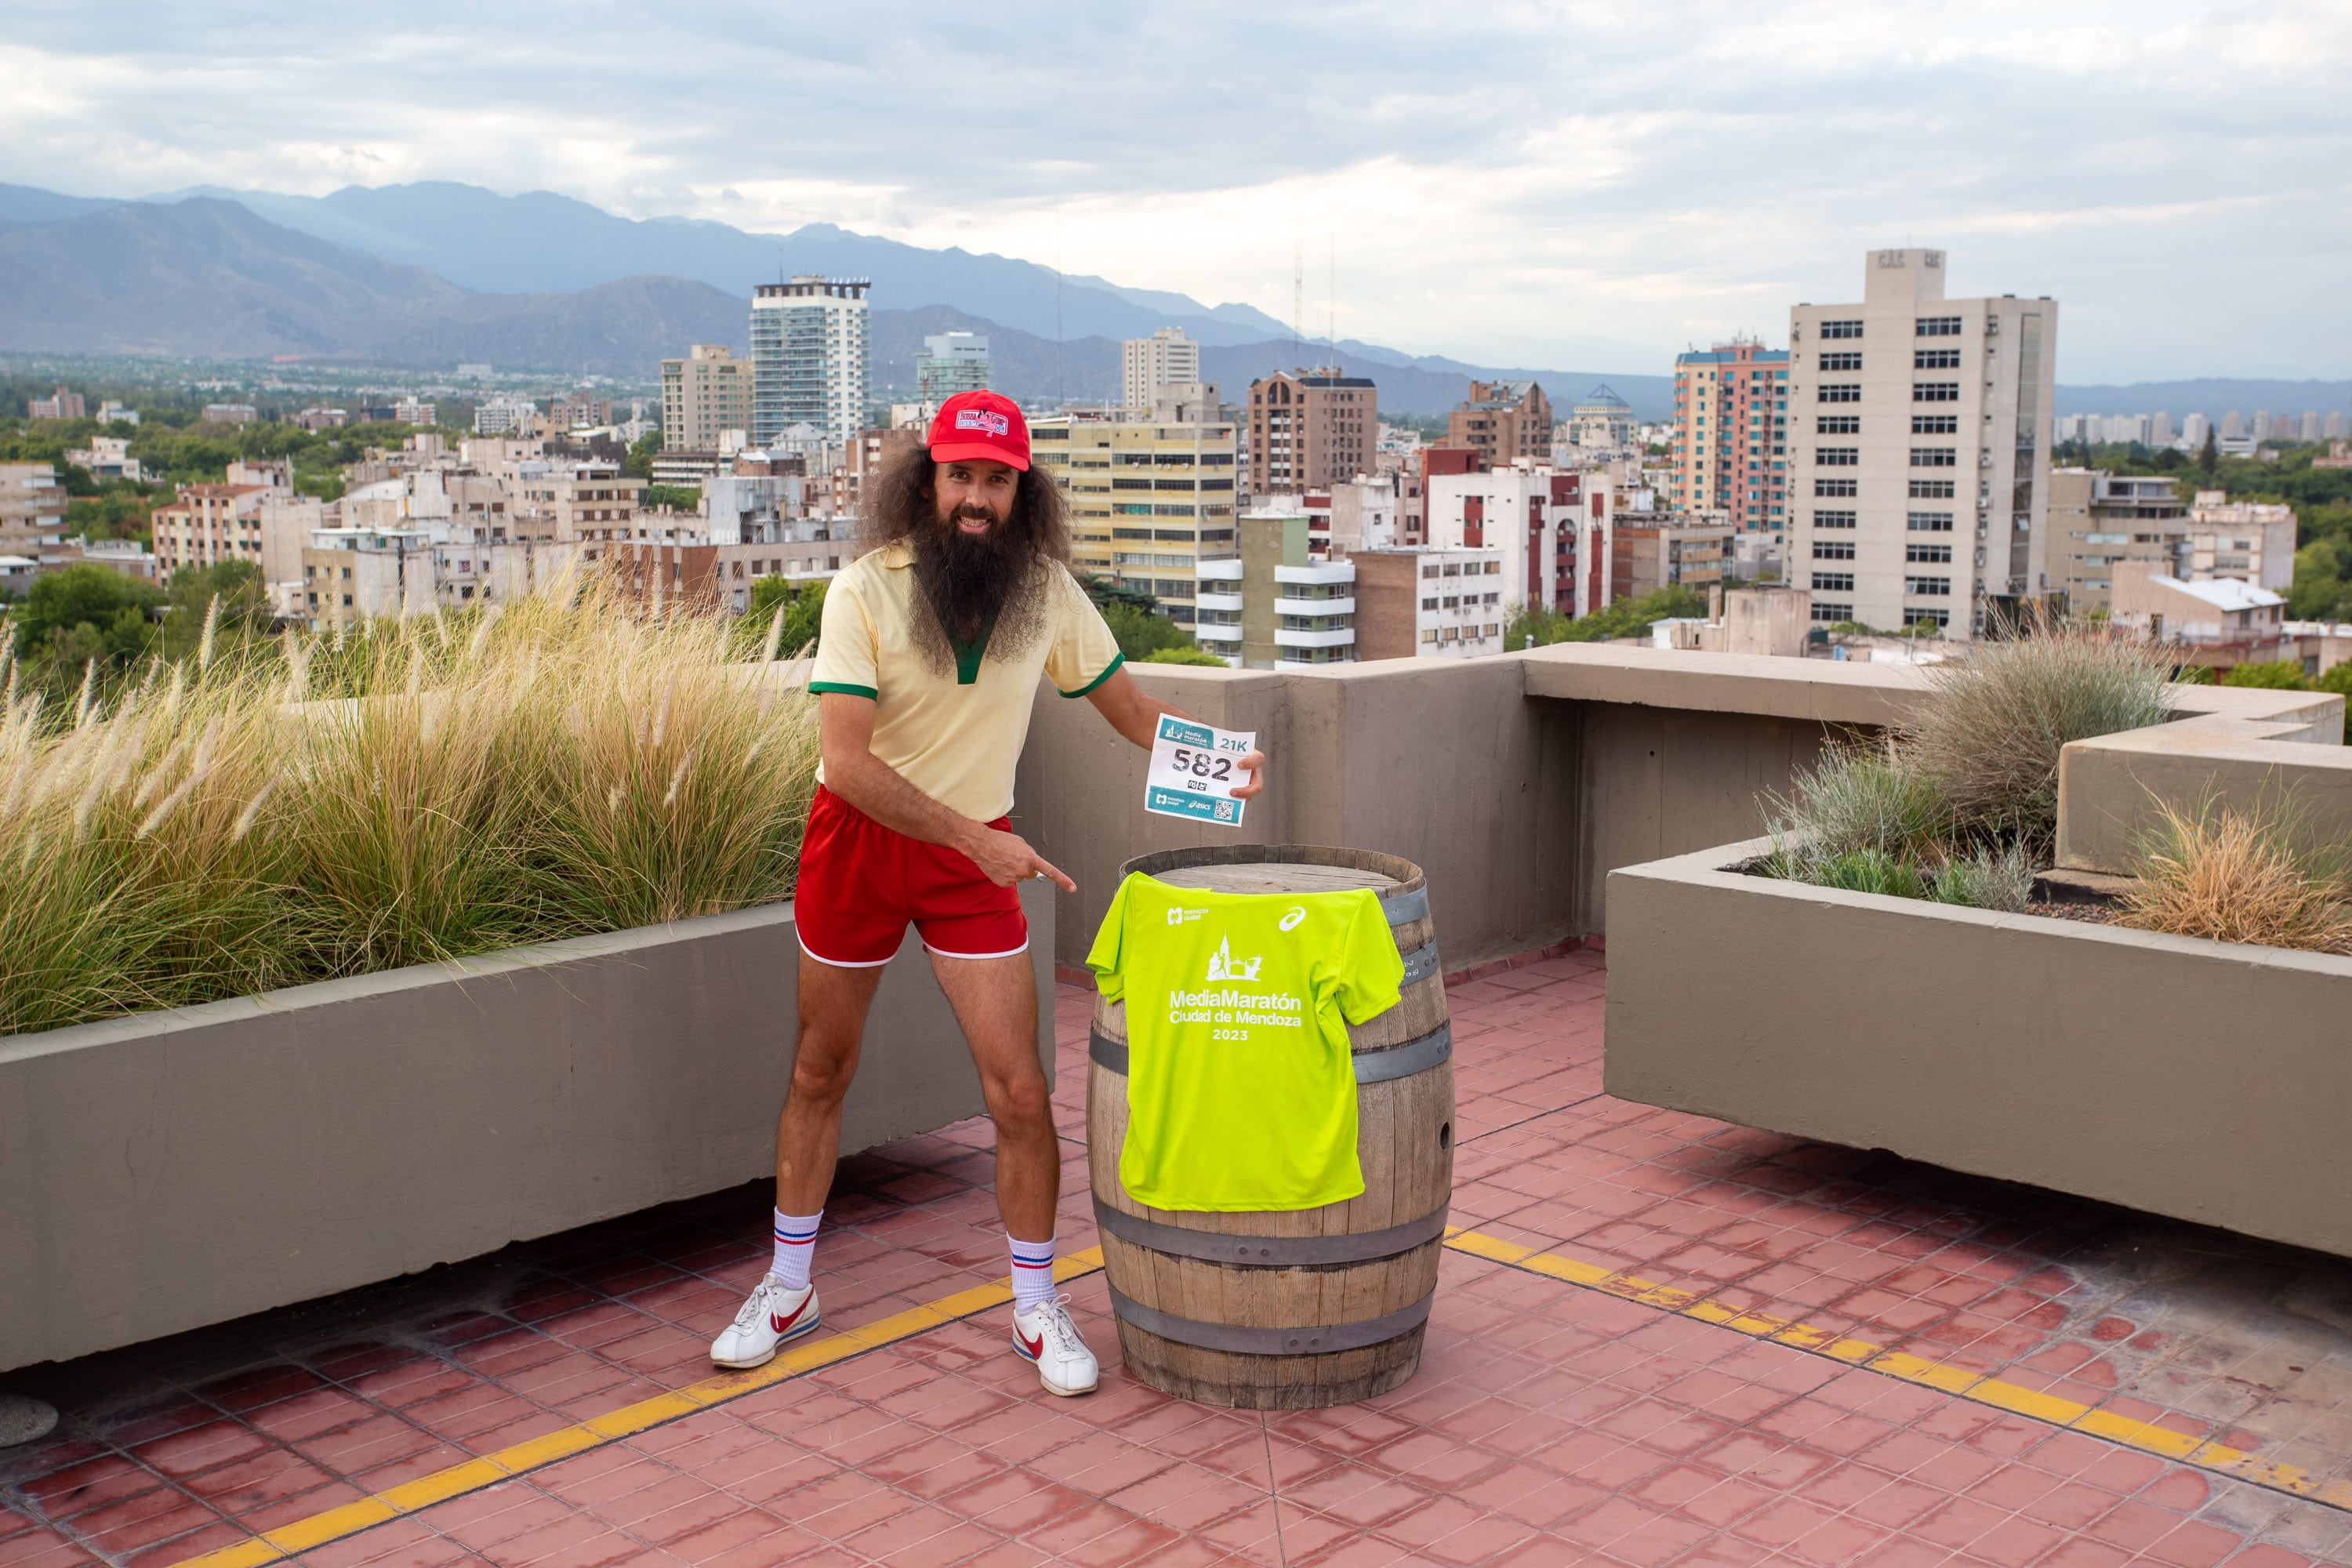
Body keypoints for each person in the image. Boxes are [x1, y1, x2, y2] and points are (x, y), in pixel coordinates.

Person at [710, 390, 1265, 1396]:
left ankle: (1036, 1305)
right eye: (960, 474)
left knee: (1019, 1092)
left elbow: (1132, 712)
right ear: (928, 480)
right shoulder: (863, 591)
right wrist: (978, 839)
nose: (977, 496)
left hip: (975, 861)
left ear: (1023, 491)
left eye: (997, 479)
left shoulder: (1048, 593)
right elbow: (843, 764)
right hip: (862, 847)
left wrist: (1225, 763)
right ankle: (789, 1286)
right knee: (820, 1071)